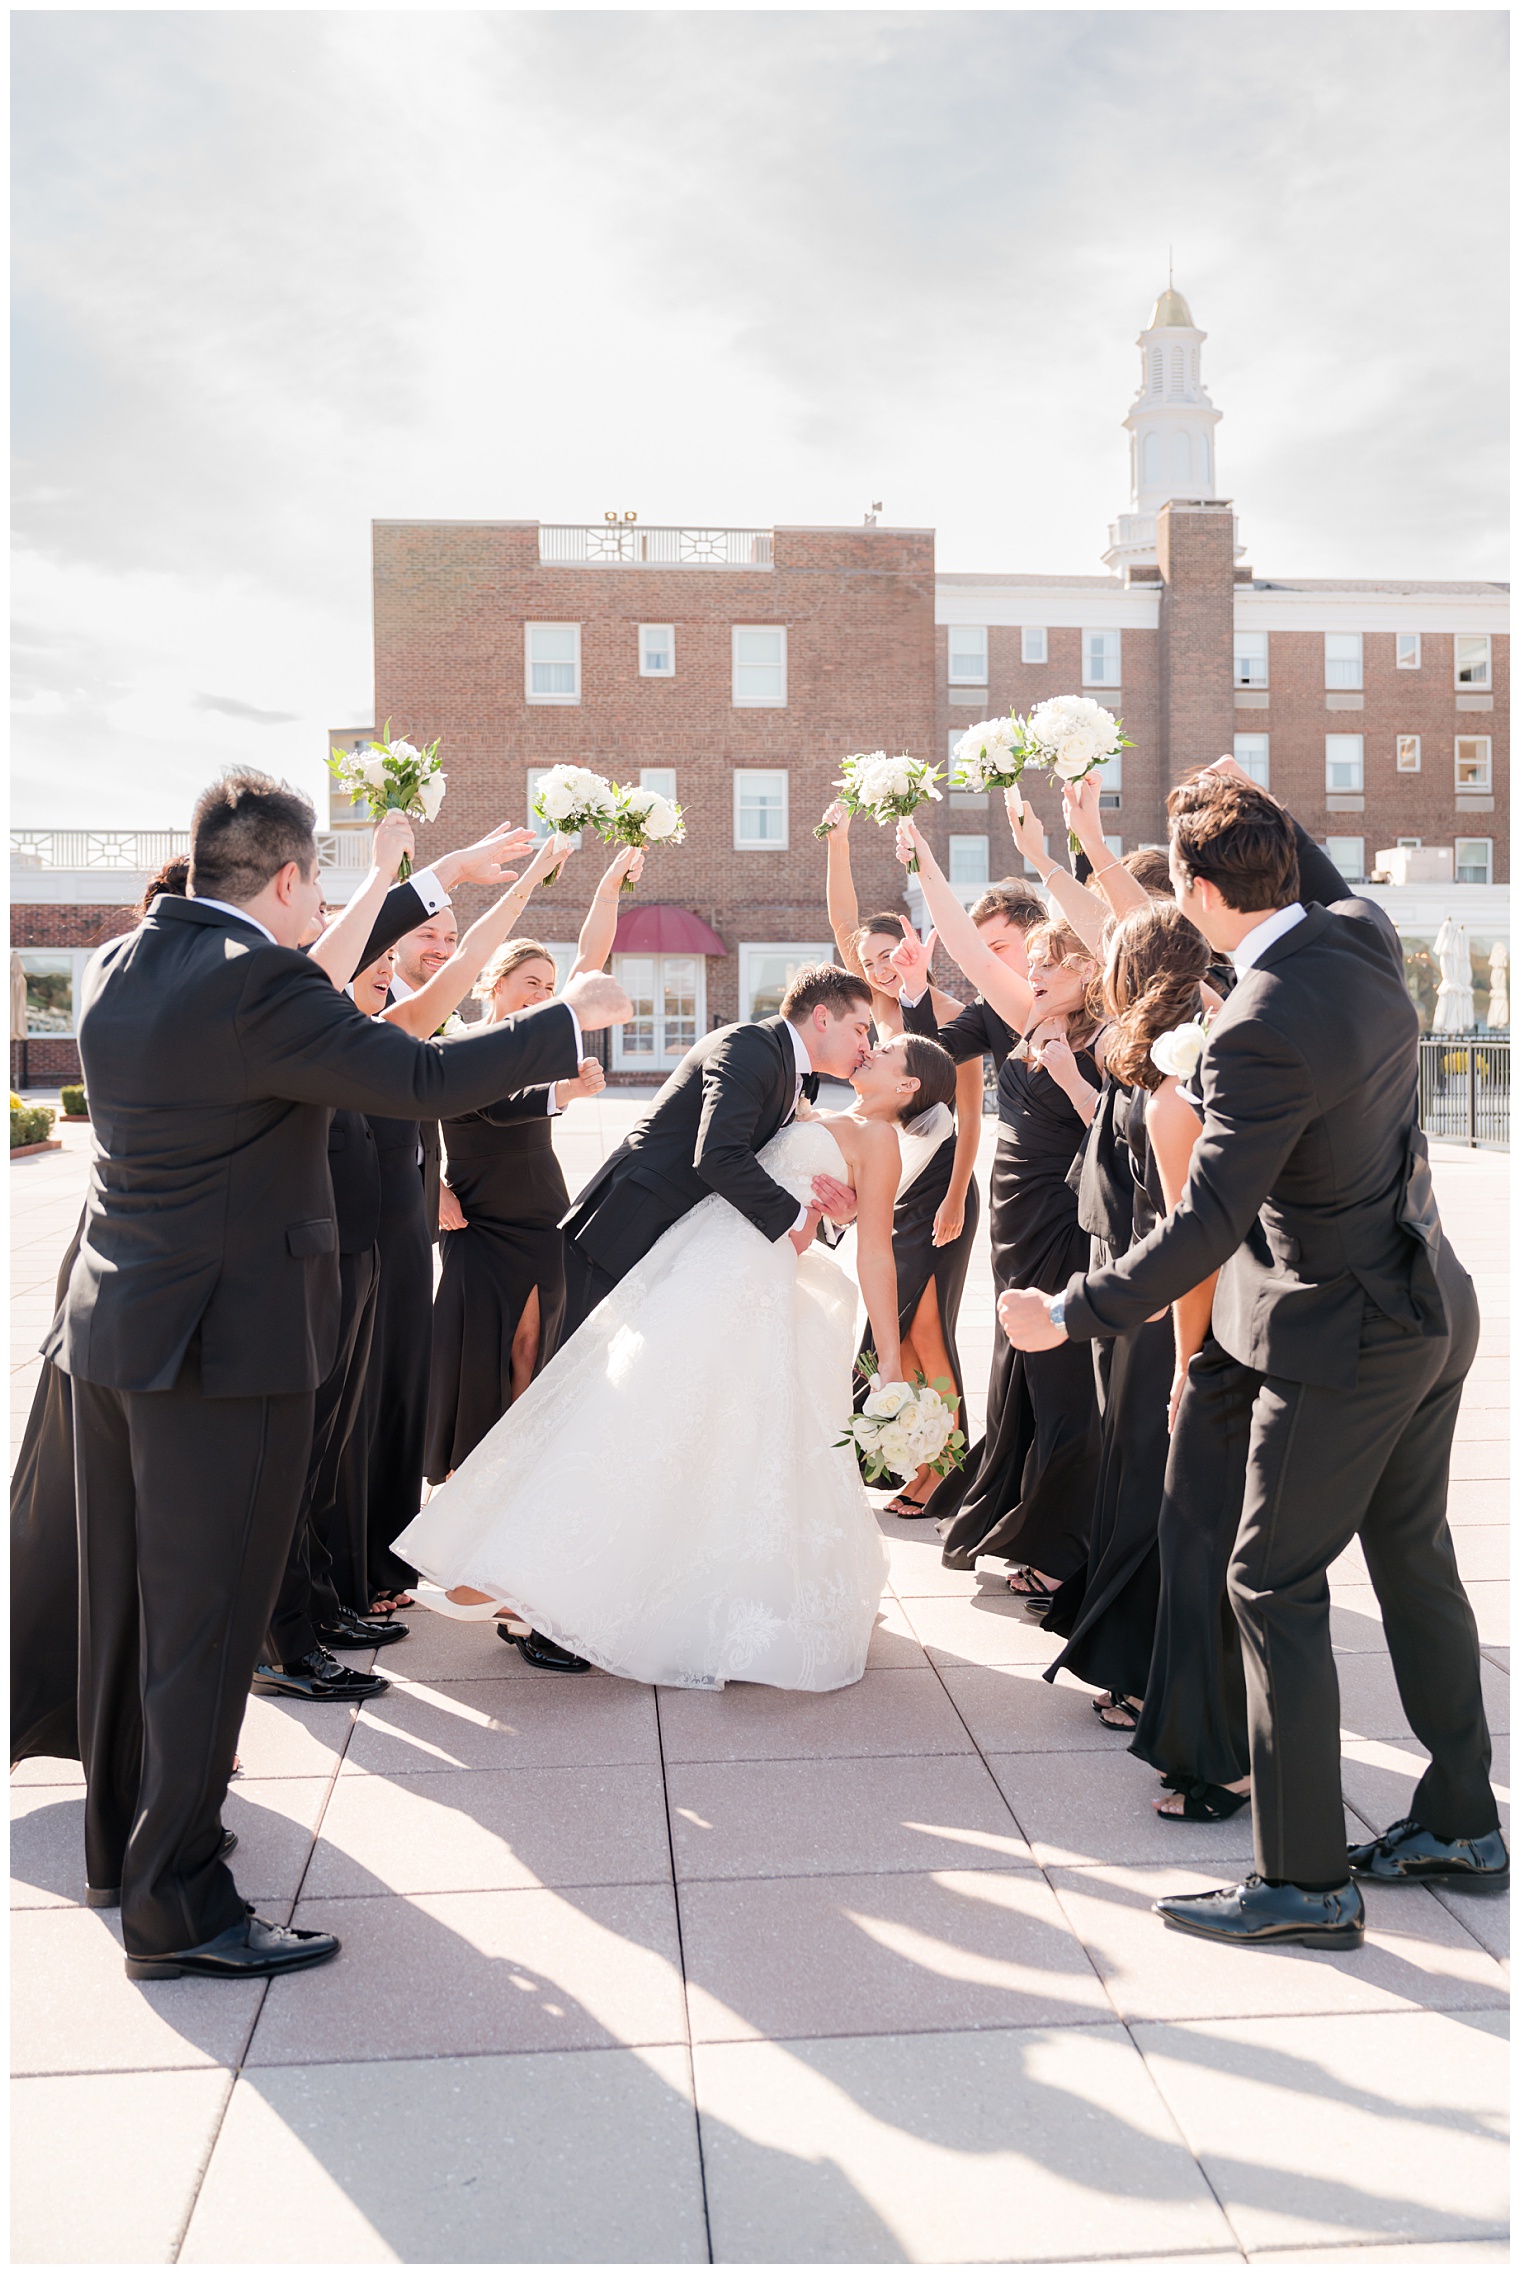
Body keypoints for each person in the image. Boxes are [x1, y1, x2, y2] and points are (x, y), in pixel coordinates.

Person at [47, 769, 627, 1980]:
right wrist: (567, 1015)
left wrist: (427, 881)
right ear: (293, 878)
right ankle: (180, 1908)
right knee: (205, 1629)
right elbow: (419, 1079)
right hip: (229, 1349)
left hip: (113, 1335)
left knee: (128, 1617)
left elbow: (292, 989)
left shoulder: (127, 962)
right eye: (319, 894)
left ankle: (119, 1856)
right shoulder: (256, 985)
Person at [997, 772, 1503, 1950]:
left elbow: (1205, 1223)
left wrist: (1068, 1312)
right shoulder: (1361, 941)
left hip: (1341, 1340)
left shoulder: (1258, 1021)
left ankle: (1305, 1883)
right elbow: (1296, 864)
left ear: (1202, 892)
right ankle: (1458, 1821)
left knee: (1268, 1583)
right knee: (1414, 1563)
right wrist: (1238, 799)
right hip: (1431, 1308)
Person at [395, 1016, 957, 1691]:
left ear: (907, 1083)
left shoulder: (878, 1141)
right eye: (866, 1035)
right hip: (698, 1259)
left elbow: (873, 1248)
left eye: (886, 1047)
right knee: (631, 1416)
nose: (870, 1045)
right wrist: (819, 1211)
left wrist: (888, 1359)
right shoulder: (811, 1103)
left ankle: (649, 1593)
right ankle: (540, 1578)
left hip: (753, 1283)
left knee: (703, 1436)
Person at [347, 830, 576, 1622]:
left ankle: (397, 1553)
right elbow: (452, 1089)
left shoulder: (413, 1010)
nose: (440, 949)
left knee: (419, 1383)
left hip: (452, 1216)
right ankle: (377, 1560)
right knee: (396, 1387)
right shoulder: (400, 1017)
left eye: (449, 937)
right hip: (398, 1224)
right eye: (426, 938)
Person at [897, 822, 1103, 1596]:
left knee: (1065, 1379)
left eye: (1045, 960)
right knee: (1016, 1371)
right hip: (1015, 1204)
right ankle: (1024, 1519)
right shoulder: (1006, 1012)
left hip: (1068, 1205)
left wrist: (1058, 845)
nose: (1032, 971)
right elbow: (930, 1055)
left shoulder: (1100, 1030)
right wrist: (917, 980)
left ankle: (1065, 1543)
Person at [1039, 902, 1216, 1766]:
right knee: (1129, 1469)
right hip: (1126, 1286)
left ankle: (1146, 1669)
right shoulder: (1139, 1050)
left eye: (1110, 954)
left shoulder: (1185, 1070)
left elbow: (1189, 1228)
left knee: (1155, 1478)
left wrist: (1189, 1357)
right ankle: (1124, 1655)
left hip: (1159, 1301)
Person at [424, 845, 640, 1485]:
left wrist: (608, 887)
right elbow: (493, 1106)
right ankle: (467, 1476)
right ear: (497, 984)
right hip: (476, 1216)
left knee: (531, 1343)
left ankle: (515, 1482)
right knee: (472, 1350)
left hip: (541, 1210)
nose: (545, 995)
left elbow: (591, 961)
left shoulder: (543, 1040)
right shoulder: (456, 1038)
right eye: (532, 984)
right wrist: (564, 1092)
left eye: (550, 988)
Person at [557, 963, 873, 1340]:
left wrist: (831, 1216)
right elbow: (719, 1154)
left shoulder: (799, 1074)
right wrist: (795, 1218)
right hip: (627, 1226)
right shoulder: (750, 1046)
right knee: (563, 1359)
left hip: (684, 1242)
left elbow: (773, 1165)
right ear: (822, 1017)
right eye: (859, 1029)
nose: (865, 1045)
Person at [820, 798, 985, 1513]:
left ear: (912, 950)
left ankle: (945, 1467)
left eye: (891, 956)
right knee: (905, 1329)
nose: (881, 968)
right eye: (869, 960)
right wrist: (839, 841)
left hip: (942, 1184)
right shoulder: (864, 1016)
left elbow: (971, 1112)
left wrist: (954, 1196)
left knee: (926, 1327)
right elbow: (839, 917)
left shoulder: (944, 1014)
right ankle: (917, 1458)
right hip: (895, 1179)